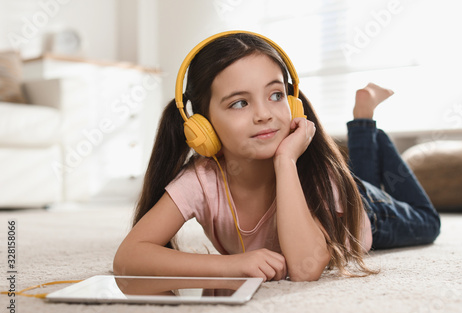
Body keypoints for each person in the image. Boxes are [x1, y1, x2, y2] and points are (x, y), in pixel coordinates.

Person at [113, 32, 440, 282]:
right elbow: (129, 256)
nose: (264, 115)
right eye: (239, 103)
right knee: (361, 177)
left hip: (366, 210)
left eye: (275, 95)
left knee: (428, 222)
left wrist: (286, 161)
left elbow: (306, 267)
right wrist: (229, 265)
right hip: (341, 187)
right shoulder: (201, 179)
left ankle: (367, 127)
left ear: (292, 102)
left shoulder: (315, 169)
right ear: (202, 126)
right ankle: (364, 122)